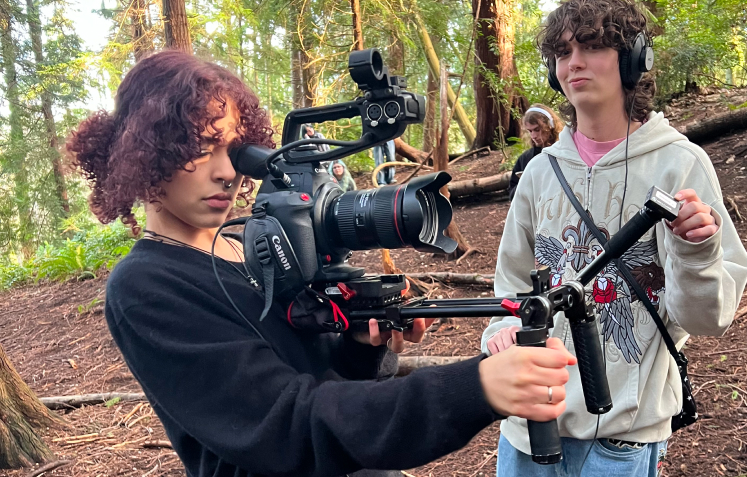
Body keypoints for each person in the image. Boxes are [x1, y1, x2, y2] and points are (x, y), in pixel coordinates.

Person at [66, 50, 577, 477]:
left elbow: (323, 383)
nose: (227, 173)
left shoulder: (248, 243)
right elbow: (288, 427)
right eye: (201, 149)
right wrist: (476, 386)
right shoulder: (146, 287)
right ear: (146, 153)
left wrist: (361, 347)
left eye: (232, 149)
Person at [481, 0, 747, 477]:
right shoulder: (541, 172)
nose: (574, 63)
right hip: (526, 430)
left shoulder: (680, 163)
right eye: (562, 52)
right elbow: (512, 288)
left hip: (620, 440)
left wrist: (697, 251)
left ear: (631, 59)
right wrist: (503, 330)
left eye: (591, 46)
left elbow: (709, 319)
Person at [508, 104, 563, 201]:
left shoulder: (565, 151)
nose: (533, 136)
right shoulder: (525, 159)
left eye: (537, 130)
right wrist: (525, 184)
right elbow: (512, 194)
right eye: (530, 131)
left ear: (550, 126)